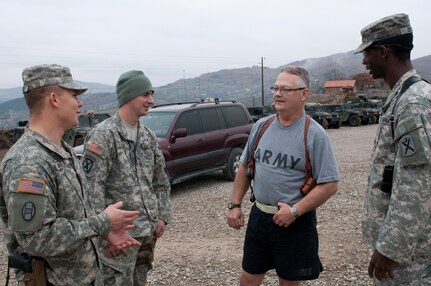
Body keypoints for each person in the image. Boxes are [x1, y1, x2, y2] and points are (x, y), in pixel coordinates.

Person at [0, 64, 142, 286]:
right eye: (74, 95)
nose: (80, 102)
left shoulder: (61, 150)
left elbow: (73, 214)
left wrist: (104, 233)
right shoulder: (28, 161)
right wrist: (102, 223)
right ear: (54, 99)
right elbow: (37, 238)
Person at [227, 66, 339, 286]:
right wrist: (235, 205)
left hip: (294, 222)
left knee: (288, 281)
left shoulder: (315, 135)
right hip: (259, 217)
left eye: (286, 89)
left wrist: (295, 211)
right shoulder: (261, 126)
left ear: (304, 94)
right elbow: (244, 169)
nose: (278, 94)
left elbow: (330, 184)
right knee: (249, 276)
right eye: (275, 88)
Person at [356, 13, 431, 285]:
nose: (364, 61)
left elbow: (417, 183)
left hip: (409, 254)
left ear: (384, 52)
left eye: (367, 53)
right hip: (406, 244)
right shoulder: (403, 97)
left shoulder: (413, 103)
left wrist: (390, 248)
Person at [81, 70, 171, 286]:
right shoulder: (103, 135)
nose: (151, 100)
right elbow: (90, 192)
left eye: (151, 94)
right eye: (146, 94)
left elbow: (161, 181)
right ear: (129, 96)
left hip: (146, 237)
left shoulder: (147, 136)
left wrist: (162, 216)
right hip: (117, 241)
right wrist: (105, 233)